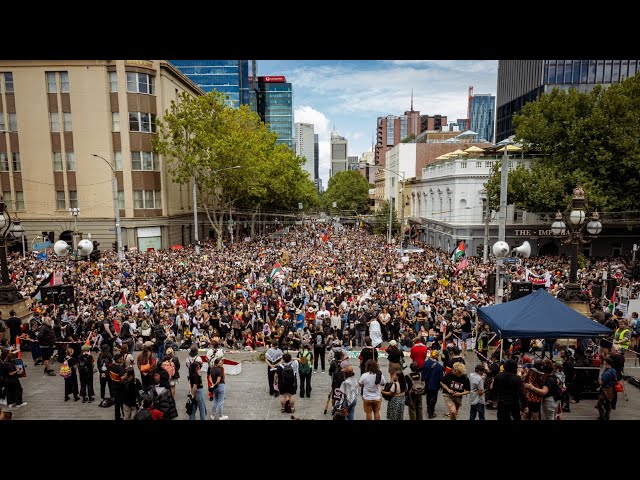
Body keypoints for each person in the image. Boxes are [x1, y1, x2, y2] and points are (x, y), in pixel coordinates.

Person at [421, 349, 443, 419]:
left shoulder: (426, 363)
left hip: (427, 384)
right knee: (433, 399)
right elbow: (441, 377)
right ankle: (431, 412)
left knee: (428, 397)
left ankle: (428, 410)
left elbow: (423, 374)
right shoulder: (439, 366)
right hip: (435, 385)